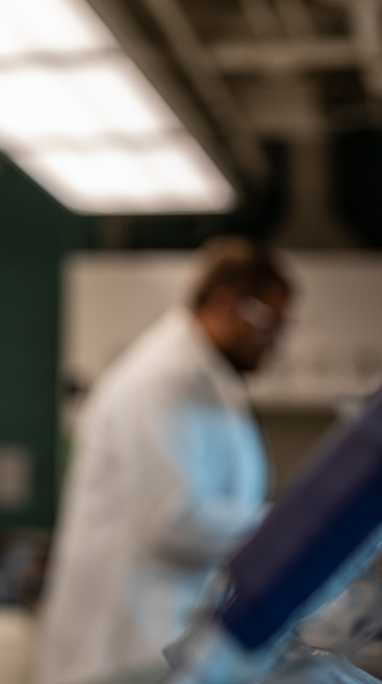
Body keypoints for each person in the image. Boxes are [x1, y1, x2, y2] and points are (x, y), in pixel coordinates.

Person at [36, 238, 289, 684]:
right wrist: (290, 525)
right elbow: (171, 520)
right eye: (269, 321)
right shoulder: (162, 378)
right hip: (123, 650)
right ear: (227, 302)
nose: (275, 340)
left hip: (161, 642)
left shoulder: (207, 379)